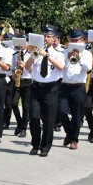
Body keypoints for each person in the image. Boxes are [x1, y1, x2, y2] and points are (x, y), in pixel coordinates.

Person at [25, 25, 64, 157]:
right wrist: (32, 55)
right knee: (34, 117)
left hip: (51, 88)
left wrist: (46, 55)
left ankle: (45, 146)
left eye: (48, 36)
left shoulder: (59, 53)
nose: (46, 38)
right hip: (36, 87)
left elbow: (61, 67)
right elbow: (27, 67)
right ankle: (35, 144)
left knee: (48, 120)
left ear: (54, 39)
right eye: (44, 36)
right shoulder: (36, 51)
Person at [59, 29, 92, 150]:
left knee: (77, 115)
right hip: (65, 86)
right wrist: (68, 58)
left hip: (79, 87)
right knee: (62, 111)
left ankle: (74, 140)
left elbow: (88, 68)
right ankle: (69, 132)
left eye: (76, 40)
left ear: (82, 40)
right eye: (71, 40)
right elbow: (62, 68)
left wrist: (79, 58)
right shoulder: (64, 52)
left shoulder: (87, 54)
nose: (73, 42)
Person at [11, 34, 31, 137]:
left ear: (27, 43)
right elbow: (12, 68)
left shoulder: (31, 55)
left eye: (24, 43)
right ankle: (20, 122)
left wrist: (25, 66)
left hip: (28, 81)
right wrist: (14, 74)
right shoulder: (15, 55)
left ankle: (23, 128)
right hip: (18, 81)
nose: (21, 45)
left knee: (26, 106)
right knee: (13, 103)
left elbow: (34, 71)